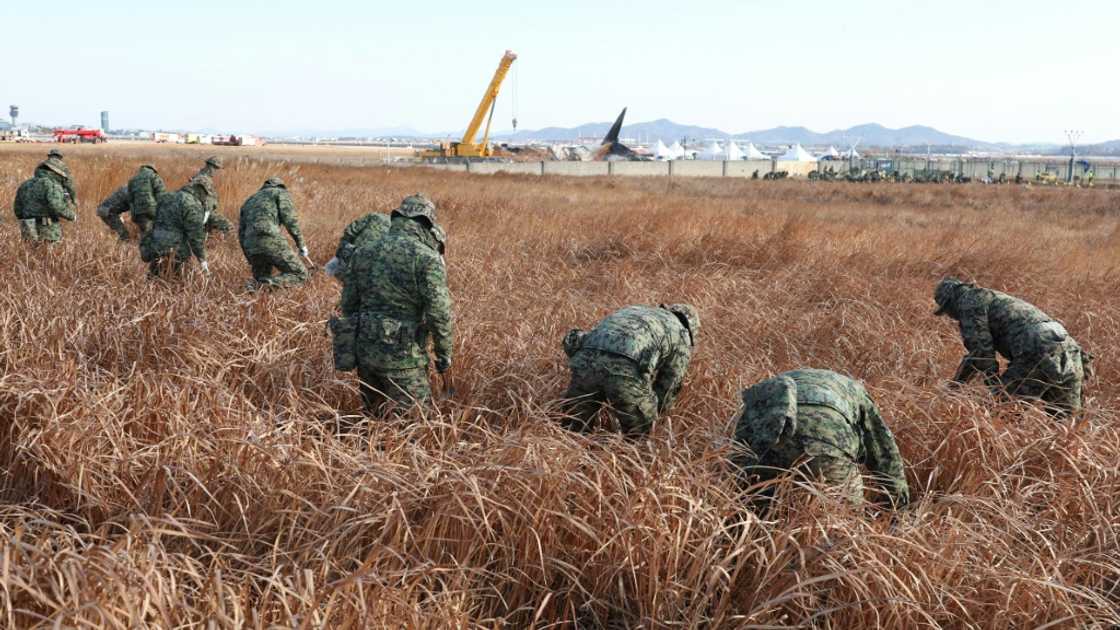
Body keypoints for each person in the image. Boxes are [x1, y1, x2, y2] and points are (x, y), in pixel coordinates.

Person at [338, 194, 453, 412]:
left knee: (373, 418)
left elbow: (348, 305)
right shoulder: (426, 257)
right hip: (404, 359)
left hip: (364, 354)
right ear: (427, 223)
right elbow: (439, 313)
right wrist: (444, 355)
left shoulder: (362, 251)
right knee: (417, 425)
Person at [733, 368, 910, 508]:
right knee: (841, 525)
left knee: (760, 517)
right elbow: (884, 454)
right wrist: (898, 508)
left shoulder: (770, 390)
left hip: (771, 446)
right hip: (829, 449)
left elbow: (739, 450)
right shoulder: (854, 390)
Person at [933, 277, 1091, 416]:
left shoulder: (968, 302)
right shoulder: (992, 298)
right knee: (1068, 429)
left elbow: (981, 352)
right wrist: (954, 387)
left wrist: (995, 388)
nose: (951, 316)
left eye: (947, 311)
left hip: (1036, 349)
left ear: (950, 303)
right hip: (1068, 349)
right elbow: (974, 357)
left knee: (1000, 416)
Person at [561, 303, 699, 436]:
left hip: (585, 360)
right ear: (690, 326)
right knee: (640, 436)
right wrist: (653, 414)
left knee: (572, 429)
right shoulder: (681, 333)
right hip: (625, 370)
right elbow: (669, 386)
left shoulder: (634, 310)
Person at [237, 177, 309, 289]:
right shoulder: (280, 193)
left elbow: (241, 232)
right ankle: (261, 285)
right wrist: (301, 244)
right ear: (280, 186)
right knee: (300, 274)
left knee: (261, 282)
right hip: (269, 238)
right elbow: (290, 220)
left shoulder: (249, 200)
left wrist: (249, 256)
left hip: (250, 244)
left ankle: (255, 287)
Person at [139, 177, 213, 278]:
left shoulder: (166, 197)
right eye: (206, 194)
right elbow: (195, 236)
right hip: (176, 252)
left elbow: (153, 221)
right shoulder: (192, 204)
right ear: (200, 189)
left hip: (155, 247)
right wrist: (202, 260)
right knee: (178, 285)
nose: (205, 197)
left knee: (155, 281)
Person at [12, 160, 77, 243]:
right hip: (48, 231)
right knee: (48, 254)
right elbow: (56, 206)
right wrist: (71, 215)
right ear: (56, 172)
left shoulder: (25, 184)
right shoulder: (52, 185)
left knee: (29, 254)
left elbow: (17, 210)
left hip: (27, 229)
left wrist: (29, 218)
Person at [192, 156, 233, 234]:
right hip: (203, 212)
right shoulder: (202, 179)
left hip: (206, 212)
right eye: (216, 169)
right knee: (229, 227)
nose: (217, 172)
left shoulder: (203, 177)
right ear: (211, 167)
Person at [126, 164, 166, 236]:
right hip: (153, 209)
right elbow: (162, 196)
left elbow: (130, 200)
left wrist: (134, 215)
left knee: (144, 232)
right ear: (153, 170)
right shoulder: (154, 176)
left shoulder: (132, 180)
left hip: (139, 211)